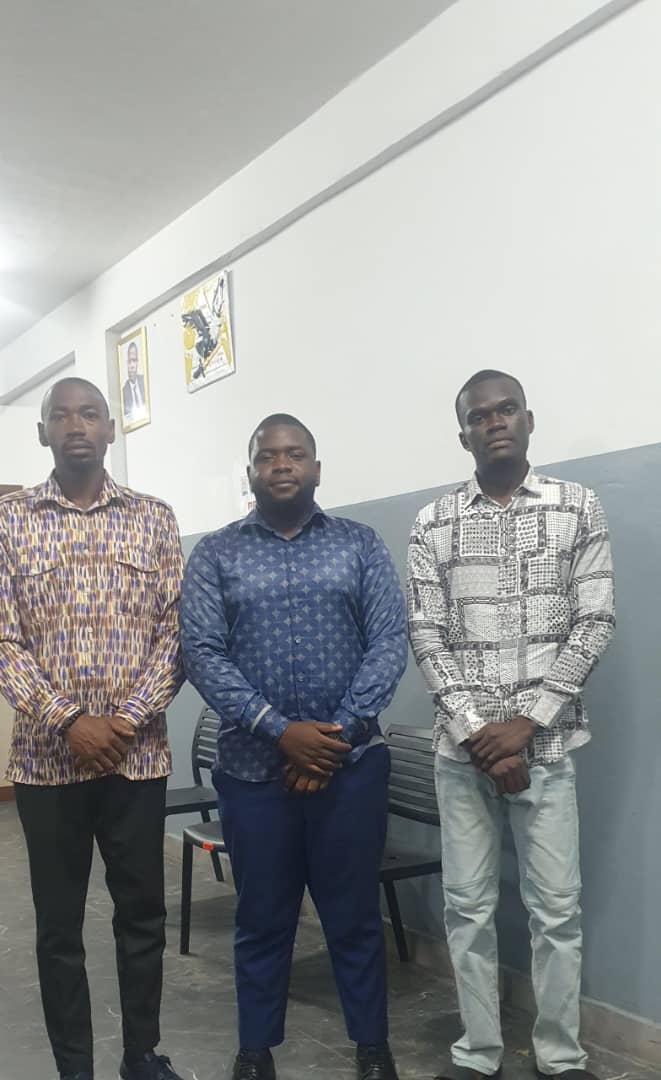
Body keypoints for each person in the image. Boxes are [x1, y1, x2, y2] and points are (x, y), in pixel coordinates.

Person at [180, 413, 408, 1080]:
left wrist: (334, 737)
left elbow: (388, 641)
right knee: (261, 917)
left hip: (350, 769)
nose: (281, 465)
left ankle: (372, 1049)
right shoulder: (215, 554)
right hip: (253, 774)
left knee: (353, 917)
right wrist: (281, 732)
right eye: (267, 456)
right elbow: (202, 653)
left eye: (295, 454)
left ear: (316, 468)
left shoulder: (359, 545)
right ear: (250, 471)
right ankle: (255, 1051)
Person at [407, 370, 615, 1080]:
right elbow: (426, 634)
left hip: (547, 747)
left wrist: (528, 722)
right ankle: (478, 1052)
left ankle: (560, 1056)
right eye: (478, 415)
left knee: (555, 912)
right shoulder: (433, 523)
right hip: (461, 755)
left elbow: (594, 621)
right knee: (467, 909)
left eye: (506, 410)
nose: (493, 422)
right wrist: (479, 734)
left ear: (528, 420)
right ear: (462, 433)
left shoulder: (577, 507)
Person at [0, 378, 185, 1080]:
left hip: (137, 760)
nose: (76, 425)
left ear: (111, 429)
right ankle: (74, 1069)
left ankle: (143, 1055)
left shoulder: (154, 518)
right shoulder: (10, 521)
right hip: (46, 765)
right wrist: (69, 721)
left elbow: (176, 635)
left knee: (142, 917)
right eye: (61, 415)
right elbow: (4, 641)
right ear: (42, 432)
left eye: (89, 414)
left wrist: (126, 720)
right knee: (58, 929)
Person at [122, 341, 147, 421]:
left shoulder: (145, 382)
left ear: (138, 363)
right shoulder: (124, 392)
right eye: (129, 361)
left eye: (134, 361)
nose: (132, 366)